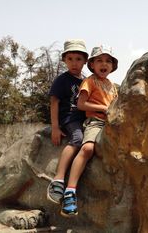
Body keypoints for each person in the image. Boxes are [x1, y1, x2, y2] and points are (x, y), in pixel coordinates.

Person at [60, 45, 118, 217]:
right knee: (87, 148)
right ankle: (70, 191)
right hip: (95, 122)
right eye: (99, 60)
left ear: (113, 66)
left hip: (111, 124)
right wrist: (104, 107)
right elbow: (81, 104)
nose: (104, 64)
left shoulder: (113, 86)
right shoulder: (89, 81)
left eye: (108, 61)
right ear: (91, 64)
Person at [47, 39, 88, 206]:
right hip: (69, 118)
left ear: (85, 61)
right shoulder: (62, 80)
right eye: (70, 59)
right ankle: (58, 178)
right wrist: (56, 127)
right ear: (64, 60)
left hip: (84, 118)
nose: (74, 63)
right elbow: (54, 102)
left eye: (78, 59)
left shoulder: (85, 80)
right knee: (77, 139)